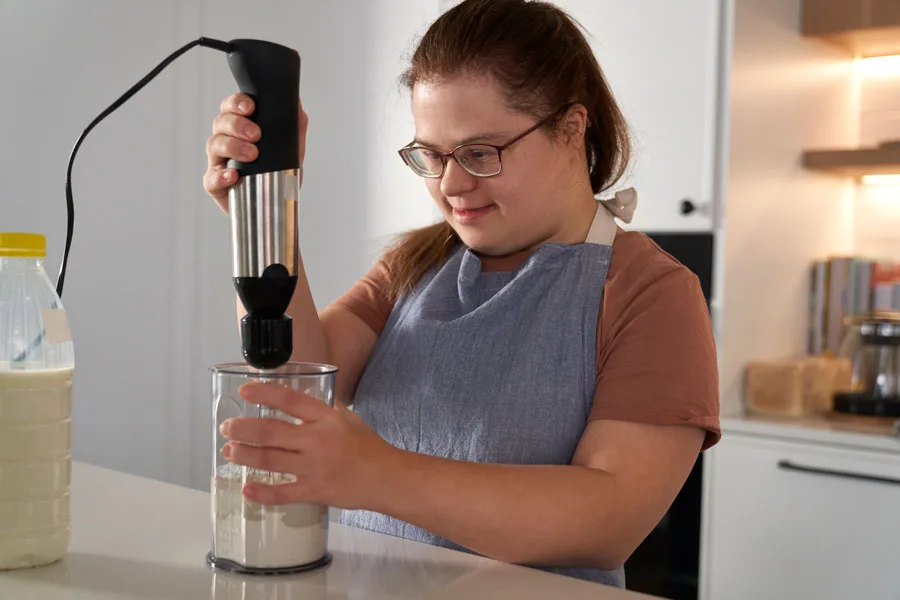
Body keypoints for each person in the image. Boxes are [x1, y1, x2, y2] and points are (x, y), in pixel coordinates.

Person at [203, 0, 719, 588]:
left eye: (480, 153)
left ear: (572, 128)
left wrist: (379, 474)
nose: (450, 184)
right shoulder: (414, 265)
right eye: (431, 155)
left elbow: (608, 520)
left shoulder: (652, 295)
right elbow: (294, 378)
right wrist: (262, 216)